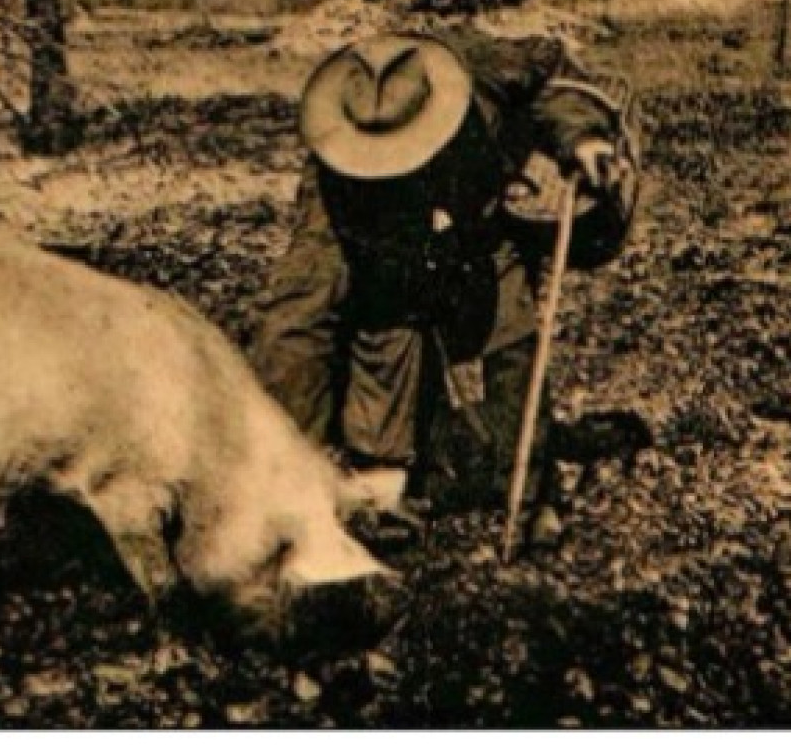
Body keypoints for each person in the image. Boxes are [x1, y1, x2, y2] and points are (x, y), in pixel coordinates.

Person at [252, 28, 640, 541]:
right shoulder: (336, 170)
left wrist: (583, 136)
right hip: (369, 216)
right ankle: (299, 484)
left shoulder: (483, 66)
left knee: (510, 325)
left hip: (475, 199)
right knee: (313, 317)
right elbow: (303, 320)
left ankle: (526, 484)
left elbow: (556, 76)